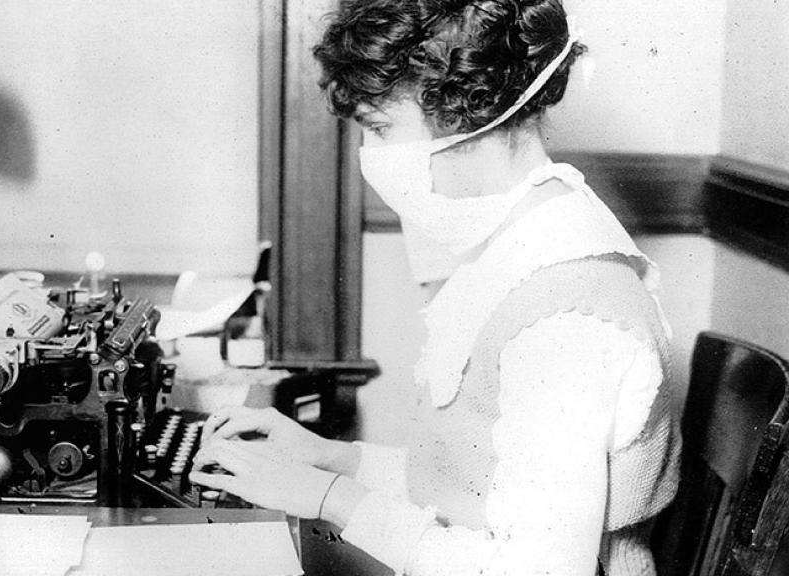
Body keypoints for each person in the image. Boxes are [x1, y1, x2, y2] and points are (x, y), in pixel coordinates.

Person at [190, 1, 681, 574]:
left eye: (379, 128)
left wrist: (331, 498)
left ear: (469, 115)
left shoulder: (566, 318)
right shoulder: (521, 243)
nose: (370, 156)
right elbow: (474, 482)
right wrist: (329, 458)